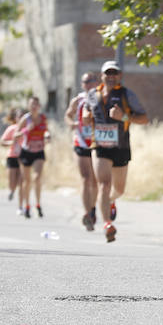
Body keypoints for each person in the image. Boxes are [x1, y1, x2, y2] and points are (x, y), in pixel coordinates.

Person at [82, 60, 149, 243]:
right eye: (107, 74)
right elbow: (86, 114)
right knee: (103, 183)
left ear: (119, 76)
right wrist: (86, 118)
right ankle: (107, 224)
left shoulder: (127, 95)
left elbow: (144, 119)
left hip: (121, 147)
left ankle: (111, 201)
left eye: (114, 74)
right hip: (100, 146)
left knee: (118, 189)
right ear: (102, 76)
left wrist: (124, 117)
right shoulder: (92, 95)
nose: (111, 77)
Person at [65, 72, 99, 230]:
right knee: (86, 178)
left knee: (95, 180)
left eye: (91, 81)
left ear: (96, 82)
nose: (88, 84)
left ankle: (93, 209)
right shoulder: (77, 100)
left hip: (97, 142)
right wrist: (71, 123)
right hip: (80, 141)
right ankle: (87, 213)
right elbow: (68, 115)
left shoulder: (101, 97)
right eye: (85, 82)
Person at [15, 96, 50, 218]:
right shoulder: (26, 119)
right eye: (32, 104)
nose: (34, 107)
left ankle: (38, 204)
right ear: (28, 106)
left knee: (37, 177)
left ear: (39, 106)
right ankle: (27, 205)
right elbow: (16, 135)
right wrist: (26, 130)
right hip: (26, 151)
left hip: (39, 151)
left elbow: (47, 130)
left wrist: (47, 135)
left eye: (36, 104)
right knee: (27, 181)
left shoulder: (43, 118)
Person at [0, 108, 23, 213]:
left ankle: (20, 206)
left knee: (21, 182)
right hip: (12, 156)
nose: (21, 118)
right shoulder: (11, 128)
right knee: (11, 181)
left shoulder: (28, 129)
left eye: (23, 116)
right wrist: (11, 143)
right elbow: (2, 141)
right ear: (16, 118)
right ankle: (12, 191)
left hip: (23, 157)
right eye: (19, 116)